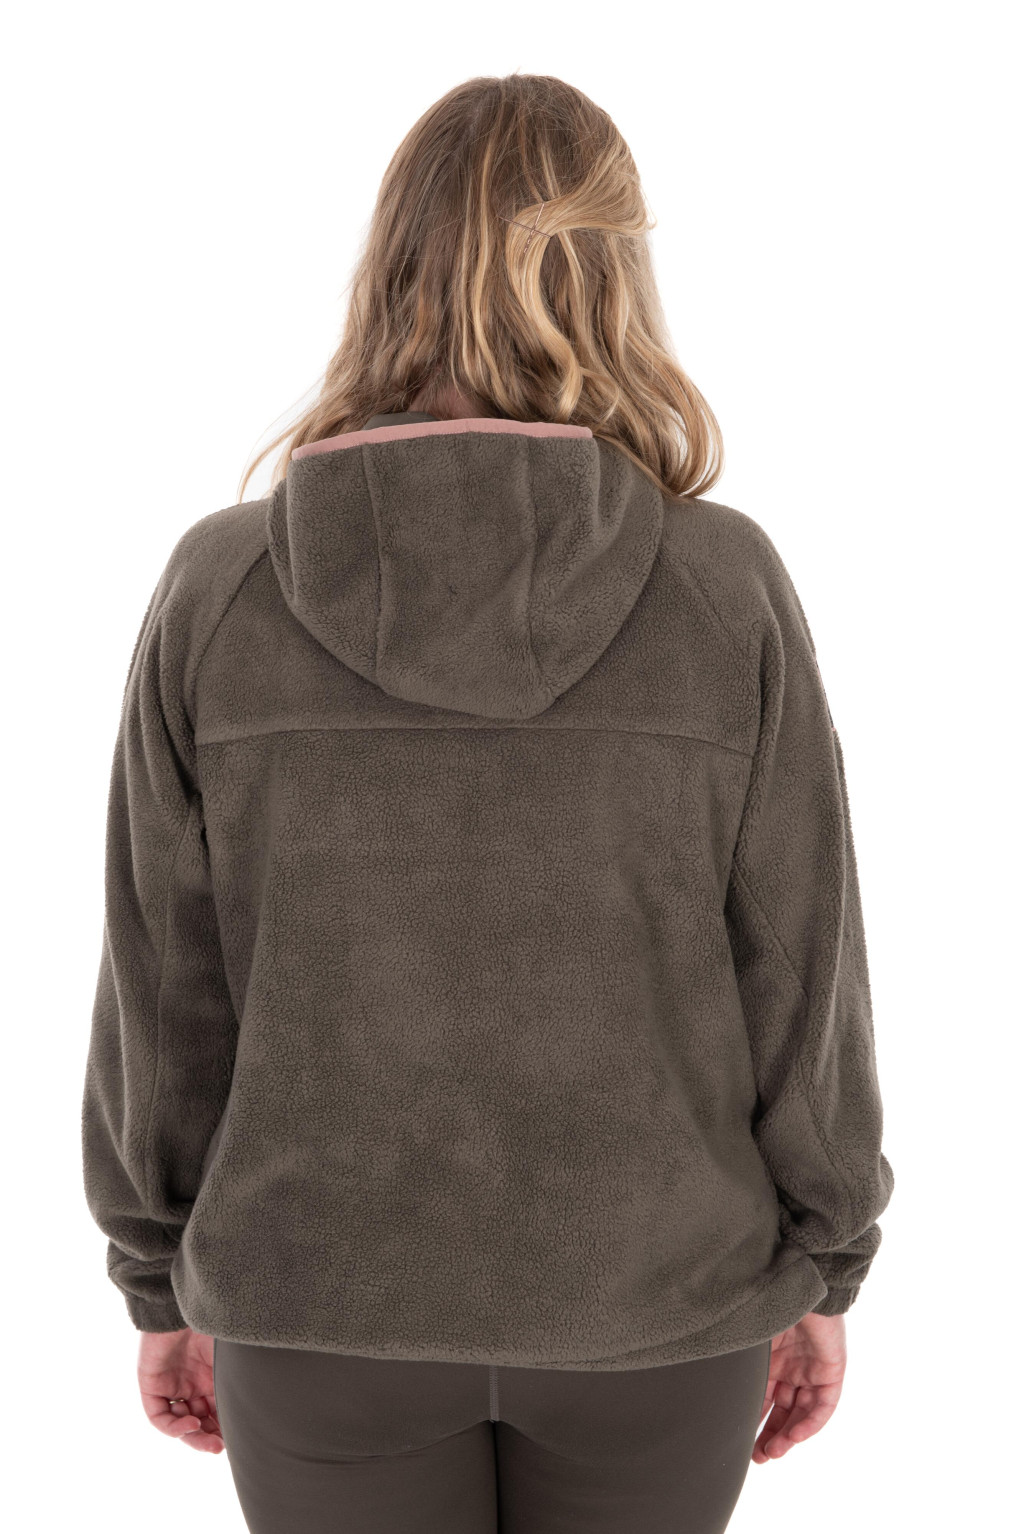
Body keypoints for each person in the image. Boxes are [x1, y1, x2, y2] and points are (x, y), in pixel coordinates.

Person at [81, 72, 894, 1534]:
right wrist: (824, 1262)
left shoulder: (221, 589)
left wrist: (159, 1274)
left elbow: (165, 983)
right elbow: (801, 963)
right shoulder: (722, 588)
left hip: (318, 1303)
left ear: (390, 263)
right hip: (661, 1301)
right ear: (612, 276)